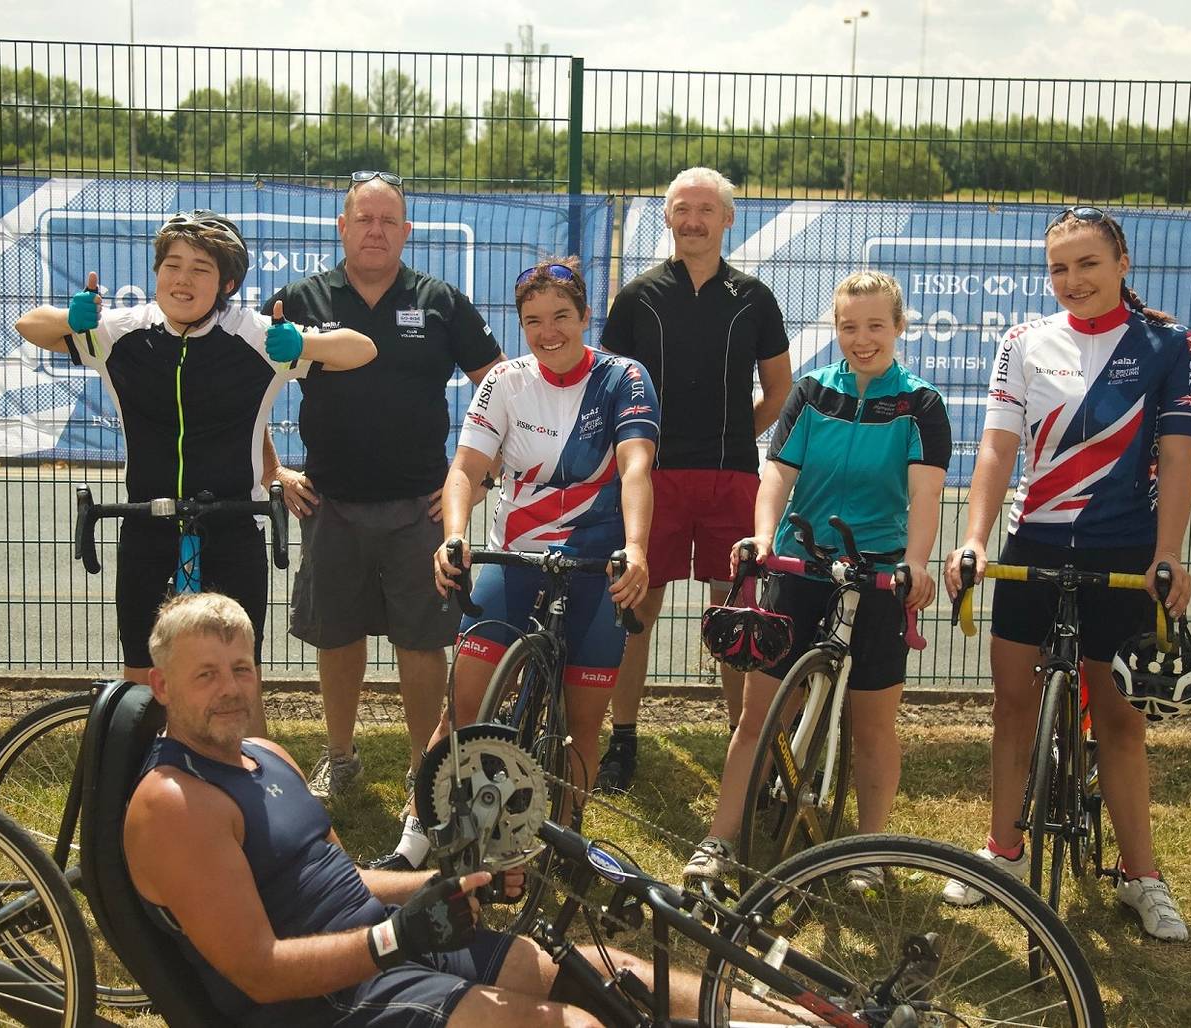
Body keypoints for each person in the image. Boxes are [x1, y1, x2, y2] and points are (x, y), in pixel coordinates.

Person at [125, 591, 784, 1027]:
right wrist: (398, 937)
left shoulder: (265, 754)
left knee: (609, 976)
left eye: (241, 669)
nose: (231, 688)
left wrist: (446, 886)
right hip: (329, 1003)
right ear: (160, 685)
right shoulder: (174, 804)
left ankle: (813, 1019)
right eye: (205, 674)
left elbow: (343, 879)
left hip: (387, 947)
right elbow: (260, 973)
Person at [940, 206, 1191, 942]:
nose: (1072, 280)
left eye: (1088, 264)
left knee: (1120, 721)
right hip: (1035, 547)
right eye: (1059, 267)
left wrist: (1168, 552)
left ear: (1122, 263)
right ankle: (1003, 854)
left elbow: (1177, 456)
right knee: (1012, 708)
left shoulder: (1169, 344)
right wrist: (975, 538)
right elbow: (995, 449)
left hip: (1122, 551)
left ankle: (1141, 876)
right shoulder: (1023, 341)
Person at [14, 210, 376, 714]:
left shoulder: (255, 334)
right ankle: (144, 777)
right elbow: (27, 325)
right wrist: (71, 321)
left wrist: (304, 343)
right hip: (147, 521)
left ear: (226, 283)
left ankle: (244, 784)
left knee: (238, 673)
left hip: (232, 525)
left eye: (200, 269)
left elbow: (362, 349)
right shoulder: (122, 330)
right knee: (142, 672)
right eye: (172, 265)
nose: (182, 279)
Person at [372, 258, 658, 872]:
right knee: (463, 708)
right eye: (533, 320)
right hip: (518, 556)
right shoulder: (503, 382)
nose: (548, 331)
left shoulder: (623, 377)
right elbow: (466, 472)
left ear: (585, 316)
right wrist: (453, 536)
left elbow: (636, 466)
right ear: (520, 324)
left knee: (583, 724)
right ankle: (417, 835)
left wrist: (635, 548)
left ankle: (567, 840)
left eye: (561, 316)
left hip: (596, 565)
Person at [682, 270, 949, 886]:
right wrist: (762, 535)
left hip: (877, 569)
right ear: (836, 329)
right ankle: (720, 840)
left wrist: (914, 562)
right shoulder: (810, 392)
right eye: (849, 326)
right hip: (799, 563)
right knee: (760, 716)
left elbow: (926, 493)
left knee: (874, 725)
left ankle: (871, 852)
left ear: (899, 328)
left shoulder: (920, 403)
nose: (862, 339)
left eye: (876, 326)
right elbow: (776, 474)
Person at [264, 171, 504, 799]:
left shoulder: (440, 301)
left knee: (421, 644)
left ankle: (423, 770)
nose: (375, 231)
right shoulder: (301, 299)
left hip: (420, 506)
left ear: (406, 232)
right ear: (341, 228)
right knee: (337, 637)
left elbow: (504, 389)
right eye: (362, 220)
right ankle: (339, 758)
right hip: (329, 502)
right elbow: (245, 388)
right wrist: (273, 469)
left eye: (387, 221)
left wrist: (471, 484)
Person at [595, 166, 793, 793]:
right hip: (653, 476)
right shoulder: (637, 297)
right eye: (681, 209)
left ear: (728, 219)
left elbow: (780, 391)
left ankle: (744, 742)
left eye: (705, 209)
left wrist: (737, 434)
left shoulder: (755, 299)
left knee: (735, 609)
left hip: (733, 474)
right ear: (668, 218)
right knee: (637, 604)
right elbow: (607, 387)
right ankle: (622, 738)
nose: (693, 220)